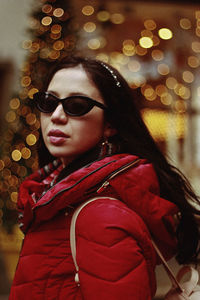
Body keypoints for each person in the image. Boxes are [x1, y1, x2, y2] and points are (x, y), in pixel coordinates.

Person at [9, 56, 200, 300]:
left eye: (77, 105)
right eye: (49, 102)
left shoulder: (101, 217)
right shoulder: (54, 198)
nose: (56, 115)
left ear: (110, 124)